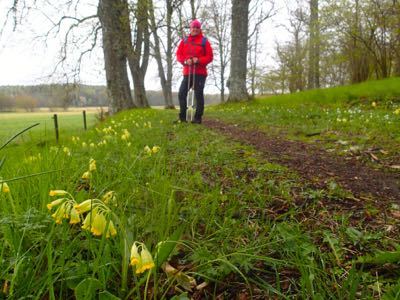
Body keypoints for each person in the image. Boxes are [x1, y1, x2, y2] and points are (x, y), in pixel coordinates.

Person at [176, 19, 213, 124]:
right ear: (190, 28)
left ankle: (197, 118)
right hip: (187, 72)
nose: (195, 29)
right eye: (193, 27)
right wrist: (185, 61)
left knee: (198, 94)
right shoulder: (184, 41)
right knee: (181, 93)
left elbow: (210, 57)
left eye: (197, 27)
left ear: (199, 29)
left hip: (200, 73)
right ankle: (182, 117)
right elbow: (179, 55)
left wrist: (198, 60)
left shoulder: (204, 41)